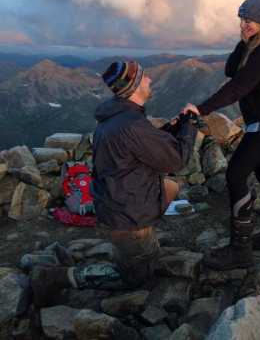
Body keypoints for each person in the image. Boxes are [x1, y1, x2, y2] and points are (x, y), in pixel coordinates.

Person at [31, 60, 197, 307]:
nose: (150, 79)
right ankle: (58, 277)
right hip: (128, 215)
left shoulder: (117, 119)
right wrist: (191, 125)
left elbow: (145, 145)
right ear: (134, 86)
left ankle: (134, 249)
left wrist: (172, 128)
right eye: (145, 77)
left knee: (172, 188)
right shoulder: (131, 125)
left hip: (117, 201)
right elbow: (176, 161)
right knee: (137, 278)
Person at [182, 0, 260, 270]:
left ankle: (240, 250)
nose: (244, 24)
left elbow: (238, 87)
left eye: (251, 20)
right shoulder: (258, 46)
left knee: (235, 173)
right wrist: (244, 41)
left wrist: (202, 108)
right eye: (242, 19)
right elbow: (231, 70)